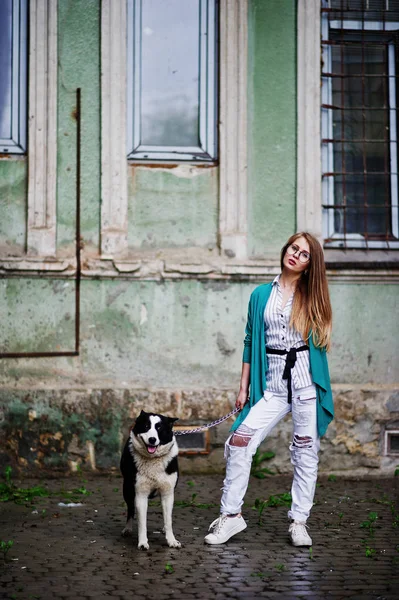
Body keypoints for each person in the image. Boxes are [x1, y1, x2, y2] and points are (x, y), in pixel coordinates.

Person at [204, 232, 334, 547]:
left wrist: (309, 295)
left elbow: (320, 338)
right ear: (285, 249)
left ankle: (299, 521)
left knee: (305, 452)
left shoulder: (312, 296)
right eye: (294, 248)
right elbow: (250, 341)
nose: (296, 255)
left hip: (305, 385)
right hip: (272, 388)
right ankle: (231, 516)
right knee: (239, 441)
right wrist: (244, 386)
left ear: (309, 264)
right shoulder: (261, 294)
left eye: (304, 254)